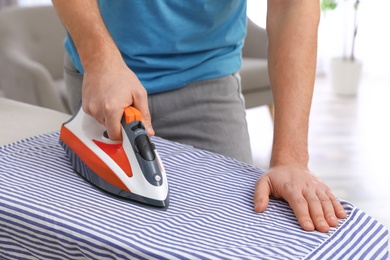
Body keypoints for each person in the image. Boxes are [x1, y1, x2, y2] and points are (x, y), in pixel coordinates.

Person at [52, 0, 347, 233]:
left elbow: (291, 5)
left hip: (208, 81)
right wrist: (98, 58)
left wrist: (291, 159)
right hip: (101, 76)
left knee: (232, 231)